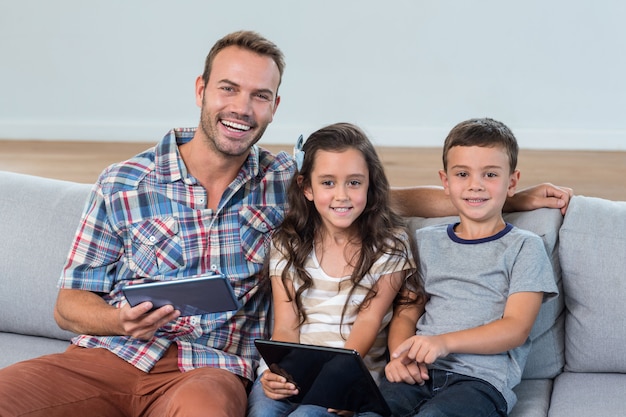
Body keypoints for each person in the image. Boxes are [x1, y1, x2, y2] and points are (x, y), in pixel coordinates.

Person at [0, 29, 570, 417]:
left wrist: (511, 203)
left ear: (274, 106)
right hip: (108, 358)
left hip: (208, 370)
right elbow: (68, 304)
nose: (241, 107)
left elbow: (379, 196)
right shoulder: (123, 181)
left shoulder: (285, 179)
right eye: (229, 88)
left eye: (259, 96)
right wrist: (119, 320)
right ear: (202, 91)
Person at [378, 117, 560, 416]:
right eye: (462, 174)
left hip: (479, 382)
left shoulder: (524, 247)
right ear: (445, 181)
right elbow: (408, 309)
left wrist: (443, 343)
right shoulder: (425, 241)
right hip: (418, 373)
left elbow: (515, 328)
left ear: (512, 182)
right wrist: (399, 355)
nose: (475, 185)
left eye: (490, 174)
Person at [246, 123, 423, 417]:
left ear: (370, 185)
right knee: (263, 411)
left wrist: (338, 381)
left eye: (354, 182)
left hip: (350, 373)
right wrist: (276, 372)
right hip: (294, 369)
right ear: (307, 188)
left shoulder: (390, 244)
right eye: (328, 183)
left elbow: (369, 320)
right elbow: (286, 325)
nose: (342, 195)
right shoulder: (287, 242)